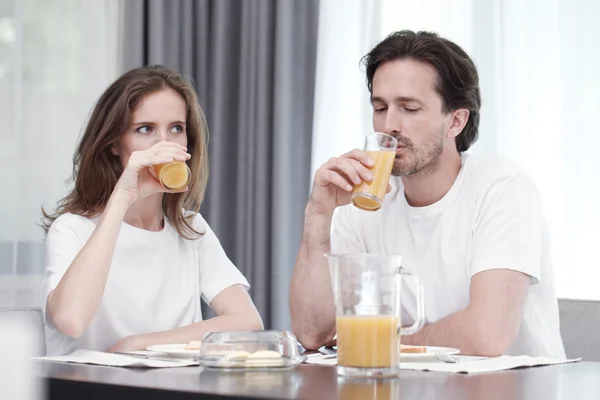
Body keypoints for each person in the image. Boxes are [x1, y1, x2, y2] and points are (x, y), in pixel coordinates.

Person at [289, 31, 565, 358]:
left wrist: (381, 343)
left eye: (409, 108)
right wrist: (318, 216)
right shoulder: (362, 201)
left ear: (456, 122)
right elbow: (312, 333)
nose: (389, 124)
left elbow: (487, 335)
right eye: (380, 107)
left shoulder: (503, 188)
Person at [42, 65, 262, 356]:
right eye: (145, 129)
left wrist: (140, 344)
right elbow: (70, 320)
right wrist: (121, 197)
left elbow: (248, 322)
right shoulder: (72, 229)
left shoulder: (190, 227)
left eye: (176, 129)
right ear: (113, 145)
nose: (165, 144)